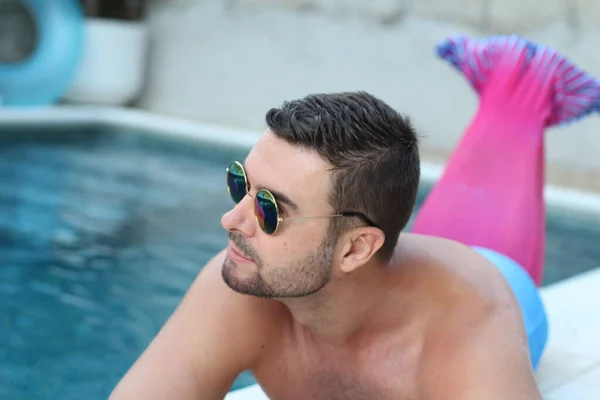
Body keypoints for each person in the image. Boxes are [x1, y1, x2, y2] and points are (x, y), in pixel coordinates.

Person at [110, 35, 600, 400]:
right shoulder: (244, 280)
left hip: (505, 288)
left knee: (502, 222)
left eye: (270, 208)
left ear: (354, 248)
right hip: (389, 253)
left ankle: (523, 84)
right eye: (242, 184)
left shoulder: (467, 329)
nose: (231, 219)